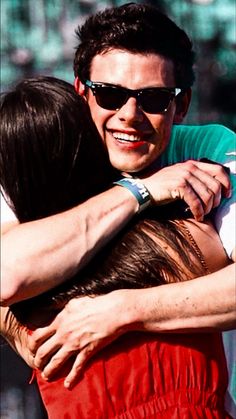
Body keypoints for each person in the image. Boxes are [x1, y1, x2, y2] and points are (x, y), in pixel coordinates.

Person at [1, 2, 235, 409]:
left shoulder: (211, 150)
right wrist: (140, 191)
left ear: (181, 106)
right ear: (81, 93)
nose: (129, 116)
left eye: (154, 99)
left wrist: (122, 311)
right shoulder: (42, 159)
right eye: (110, 95)